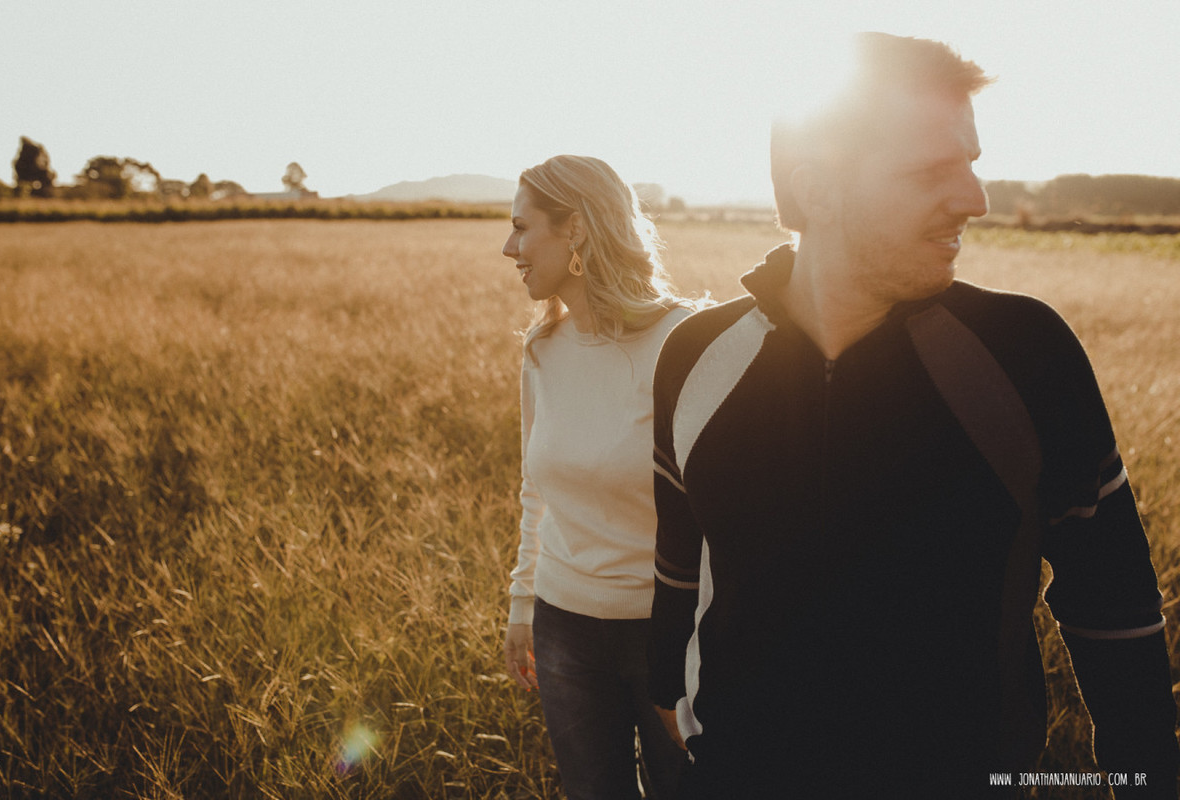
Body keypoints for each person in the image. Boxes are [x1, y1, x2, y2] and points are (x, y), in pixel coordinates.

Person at [649, 33, 1179, 798]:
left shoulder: (1025, 354)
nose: (976, 198)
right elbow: (679, 551)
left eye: (971, 160)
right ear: (817, 188)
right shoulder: (695, 357)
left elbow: (1113, 600)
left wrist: (1146, 778)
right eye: (934, 170)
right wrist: (667, 693)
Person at [501, 154, 692, 799]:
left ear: (576, 229)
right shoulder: (542, 349)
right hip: (563, 625)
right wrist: (522, 602)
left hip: (667, 632)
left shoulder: (685, 342)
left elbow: (723, 511)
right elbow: (535, 489)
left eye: (522, 228)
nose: (509, 248)